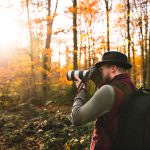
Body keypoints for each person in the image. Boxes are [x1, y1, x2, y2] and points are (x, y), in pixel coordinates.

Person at [70, 51, 137, 150]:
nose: (101, 72)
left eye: (102, 69)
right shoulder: (130, 86)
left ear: (113, 68)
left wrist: (81, 90)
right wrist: (101, 84)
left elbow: (76, 118)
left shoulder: (108, 90)